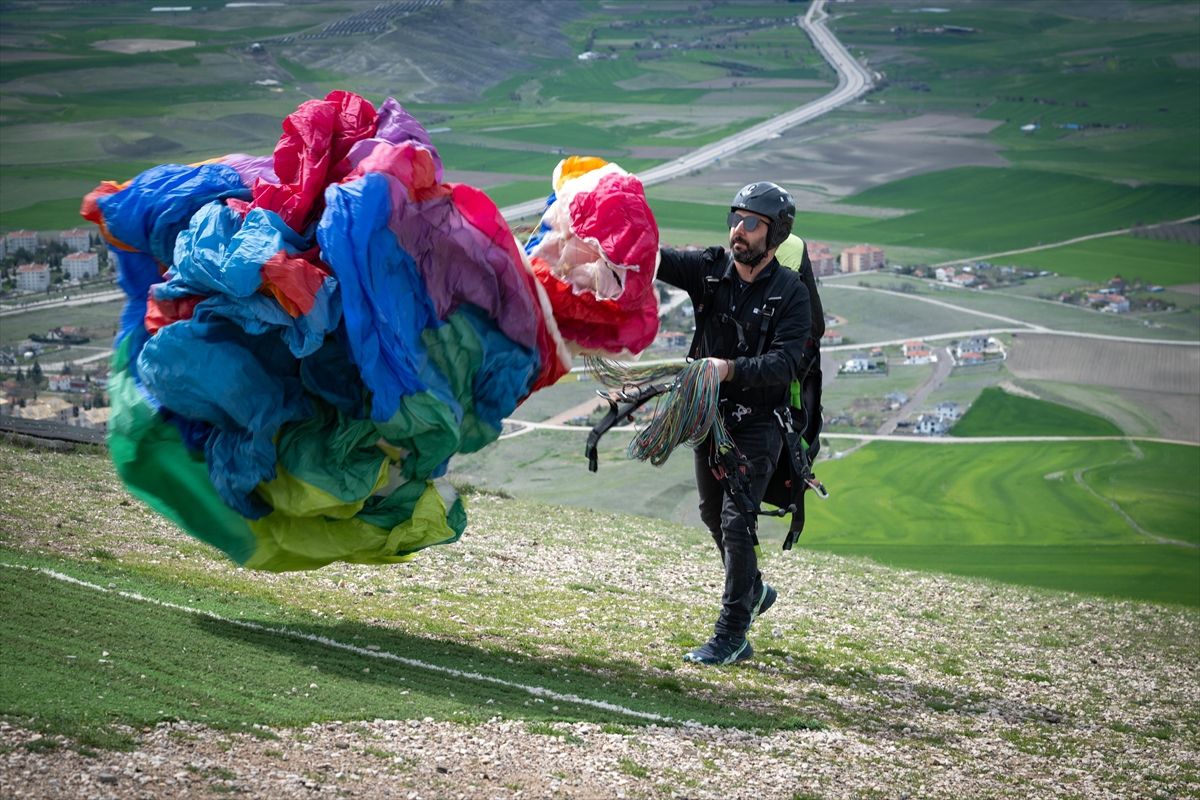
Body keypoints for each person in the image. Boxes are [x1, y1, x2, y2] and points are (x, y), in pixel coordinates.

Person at [656, 181, 818, 666]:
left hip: (760, 424)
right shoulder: (711, 270)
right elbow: (656, 260)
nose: (738, 231)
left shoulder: (791, 295)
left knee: (734, 520)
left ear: (776, 234)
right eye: (735, 219)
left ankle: (733, 635)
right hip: (710, 418)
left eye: (752, 223)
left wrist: (727, 369)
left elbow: (786, 363)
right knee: (711, 512)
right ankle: (753, 589)